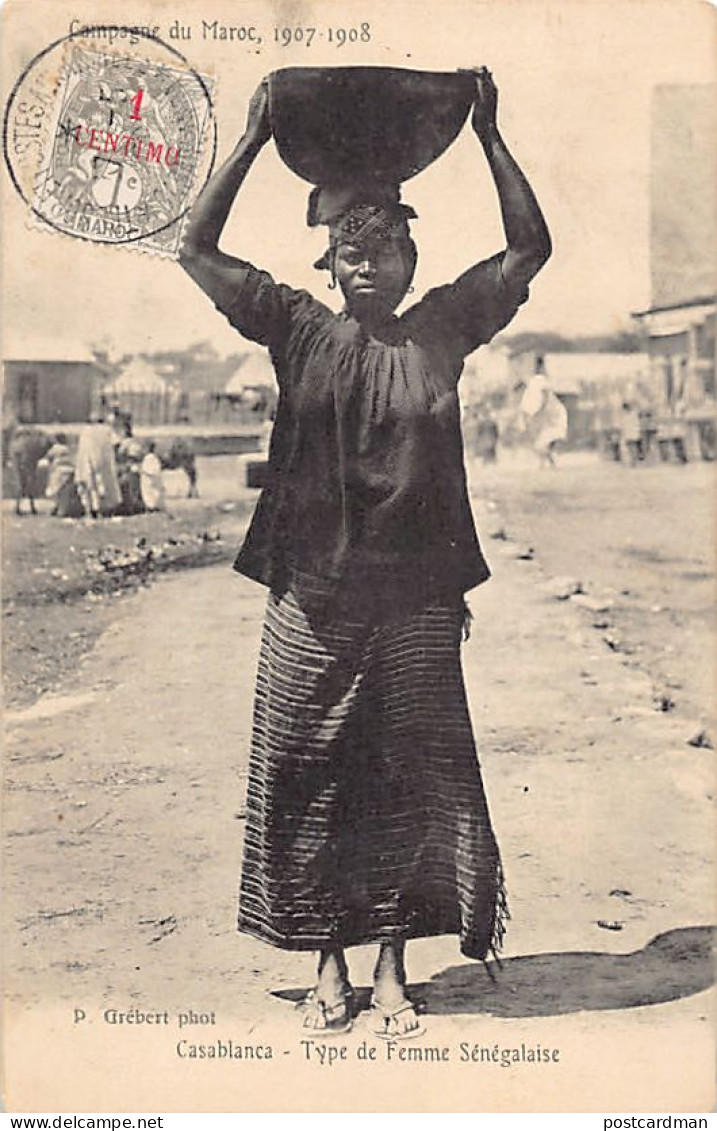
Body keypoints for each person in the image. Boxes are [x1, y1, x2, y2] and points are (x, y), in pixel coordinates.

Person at [179, 67, 551, 1038]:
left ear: (410, 262)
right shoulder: (296, 332)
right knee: (307, 770)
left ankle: (392, 966)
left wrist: (490, 137)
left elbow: (528, 247)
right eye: (352, 253)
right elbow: (195, 247)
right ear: (329, 270)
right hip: (313, 595)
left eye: (386, 250)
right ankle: (327, 966)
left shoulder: (442, 334)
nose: (369, 266)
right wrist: (257, 136)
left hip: (418, 599)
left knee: (405, 776)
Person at [520, 356, 567, 467]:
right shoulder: (537, 381)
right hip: (544, 413)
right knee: (543, 439)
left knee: (547, 438)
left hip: (548, 413)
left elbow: (545, 396)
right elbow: (540, 397)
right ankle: (547, 462)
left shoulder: (540, 381)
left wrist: (541, 409)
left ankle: (548, 461)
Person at [74, 411, 122, 517]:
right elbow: (117, 443)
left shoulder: (85, 431)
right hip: (103, 461)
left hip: (87, 461)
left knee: (90, 484)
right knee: (104, 484)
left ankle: (91, 509)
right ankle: (102, 509)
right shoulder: (107, 430)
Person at [41, 433, 83, 517]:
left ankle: (58, 507)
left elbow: (47, 458)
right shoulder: (68, 449)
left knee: (57, 491)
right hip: (70, 470)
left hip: (59, 471)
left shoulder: (54, 448)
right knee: (68, 491)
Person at [140, 441, 166, 511]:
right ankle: (153, 506)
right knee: (153, 493)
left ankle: (151, 507)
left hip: (149, 479)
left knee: (150, 493)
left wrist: (141, 471)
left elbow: (149, 470)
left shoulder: (148, 458)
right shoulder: (155, 458)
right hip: (153, 479)